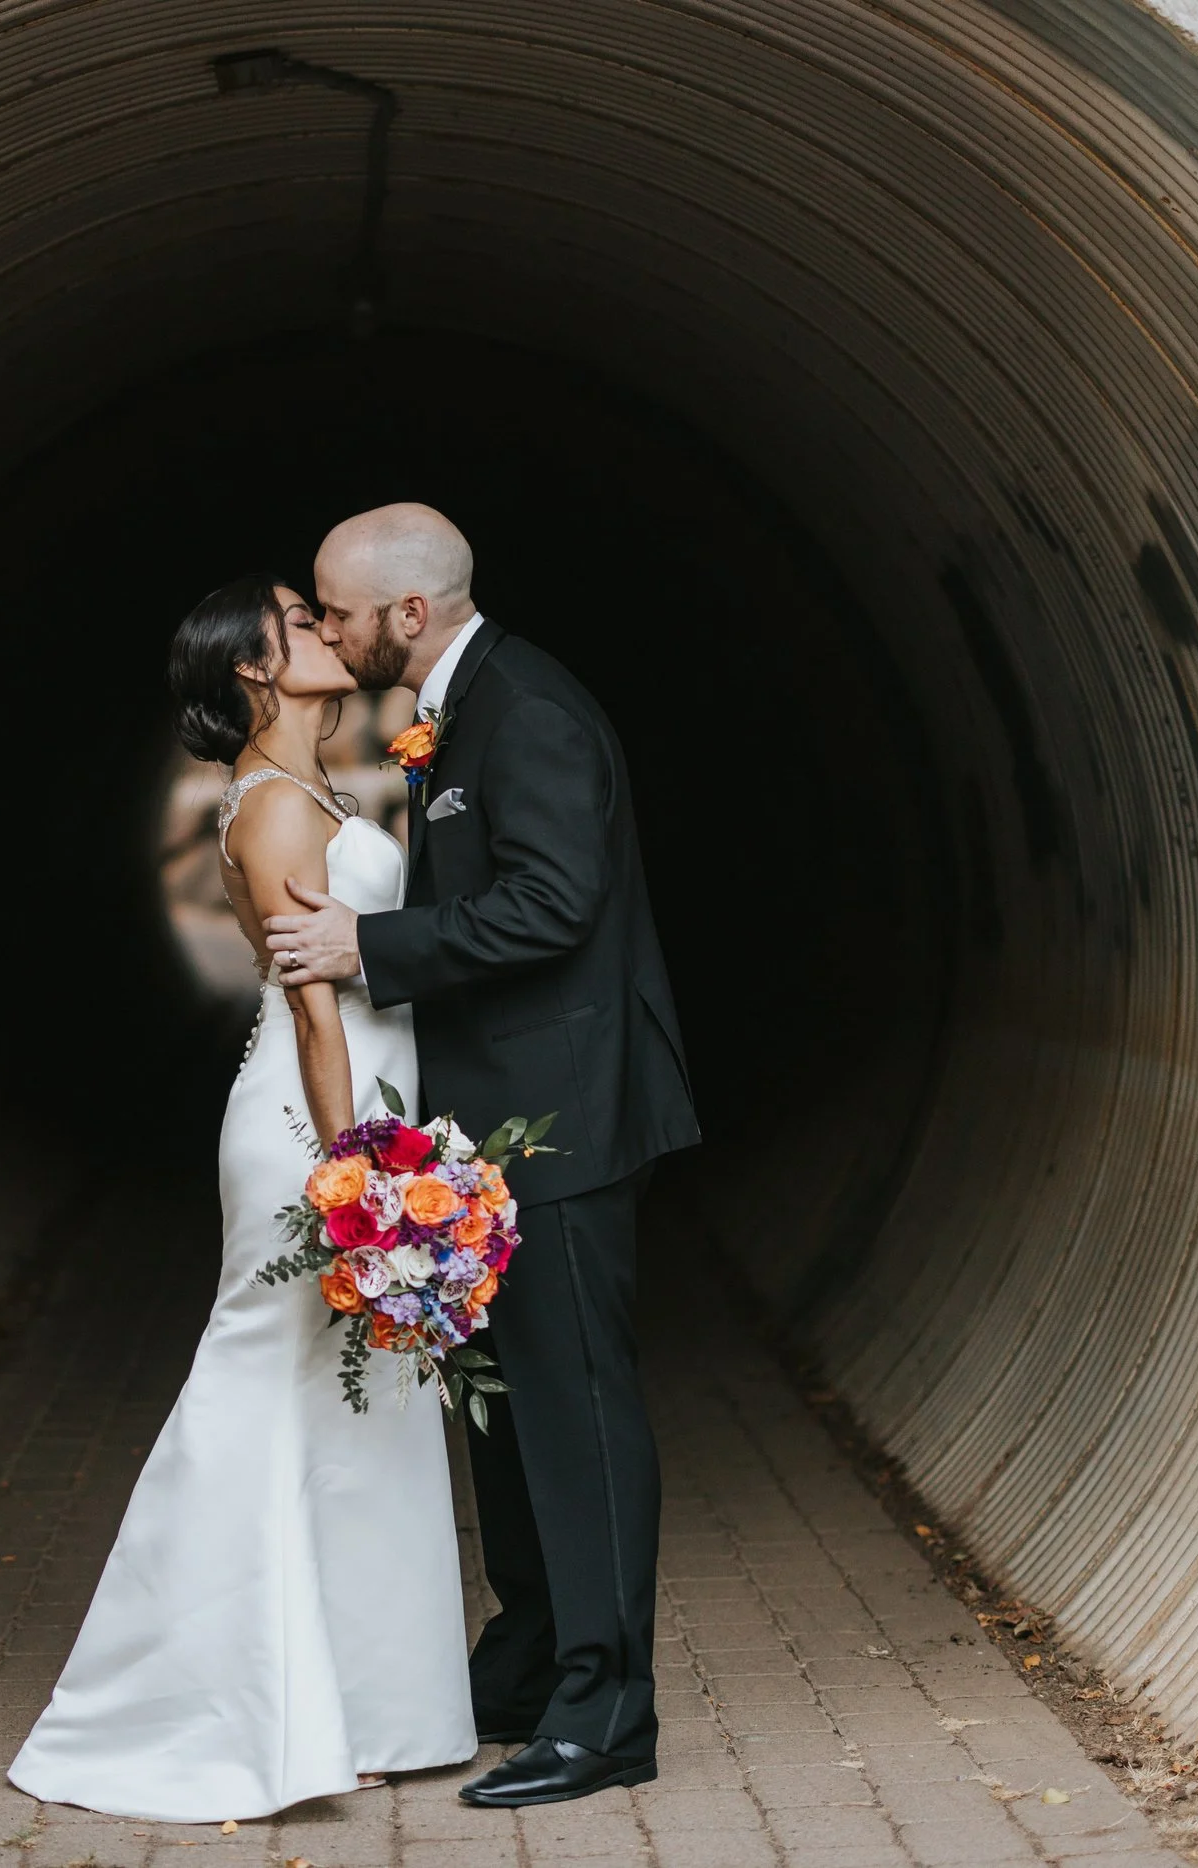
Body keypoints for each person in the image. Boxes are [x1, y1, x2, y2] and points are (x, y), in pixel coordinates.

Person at [7, 580, 475, 1822]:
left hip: (370, 1122)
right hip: (308, 1129)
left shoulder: (315, 791)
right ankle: (188, 1701)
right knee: (262, 1381)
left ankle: (366, 1703)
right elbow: (317, 1014)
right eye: (300, 623)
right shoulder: (268, 811)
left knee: (358, 1405)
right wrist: (364, 1179)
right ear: (258, 674)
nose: (327, 628)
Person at [264, 504, 702, 1808]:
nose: (330, 631)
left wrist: (368, 950)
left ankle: (609, 1706)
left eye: (339, 609)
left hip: (563, 1115)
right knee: (507, 1413)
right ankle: (527, 1657)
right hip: (494, 1126)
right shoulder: (460, 710)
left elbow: (557, 903)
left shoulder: (530, 710)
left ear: (408, 612)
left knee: (575, 1410)